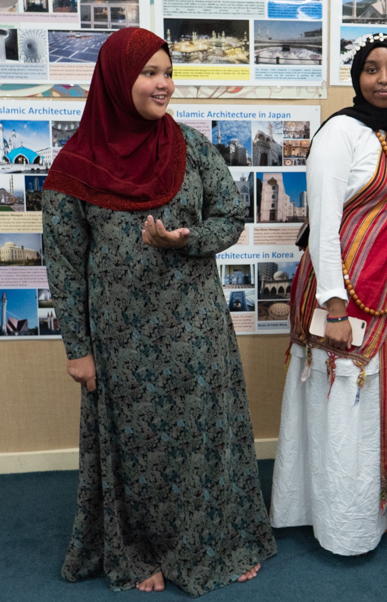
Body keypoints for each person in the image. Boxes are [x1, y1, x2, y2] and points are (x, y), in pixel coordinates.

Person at [42, 28, 276, 595]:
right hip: (121, 337)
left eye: (168, 72)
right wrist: (79, 349)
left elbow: (231, 215)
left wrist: (187, 240)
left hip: (194, 327)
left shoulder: (190, 147)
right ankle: (139, 551)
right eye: (149, 73)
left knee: (202, 440)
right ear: (118, 81)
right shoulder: (76, 164)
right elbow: (65, 265)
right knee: (137, 448)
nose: (163, 84)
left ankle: (214, 545)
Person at [270, 33, 387, 555]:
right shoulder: (341, 133)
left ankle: (378, 511)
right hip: (344, 293)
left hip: (386, 291)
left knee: (374, 406)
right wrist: (335, 305)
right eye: (371, 69)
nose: (383, 79)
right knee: (343, 404)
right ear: (356, 78)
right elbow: (325, 223)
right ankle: (340, 526)